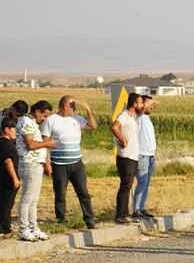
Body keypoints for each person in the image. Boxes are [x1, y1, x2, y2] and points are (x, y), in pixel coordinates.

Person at [43, 95, 99, 229]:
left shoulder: (76, 119)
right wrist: (46, 163)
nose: (74, 109)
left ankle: (89, 219)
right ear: (64, 106)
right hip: (59, 164)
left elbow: (93, 126)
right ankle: (61, 220)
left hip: (76, 163)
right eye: (72, 106)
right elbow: (45, 143)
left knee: (83, 192)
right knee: (60, 194)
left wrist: (88, 110)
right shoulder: (51, 121)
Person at [14, 100, 57, 241]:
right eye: (44, 115)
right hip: (29, 163)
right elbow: (30, 144)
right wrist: (48, 143)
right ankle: (23, 229)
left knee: (34, 200)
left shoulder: (32, 123)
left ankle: (33, 227)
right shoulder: (26, 122)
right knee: (27, 199)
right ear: (37, 111)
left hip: (36, 163)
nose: (44, 119)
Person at [111, 93, 146, 224]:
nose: (142, 105)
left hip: (132, 156)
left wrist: (147, 105)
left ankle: (125, 213)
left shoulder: (133, 116)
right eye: (140, 103)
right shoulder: (124, 116)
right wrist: (123, 141)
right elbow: (114, 127)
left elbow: (141, 112)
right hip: (125, 157)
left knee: (128, 185)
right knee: (125, 186)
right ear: (134, 104)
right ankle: (120, 215)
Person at [133, 95, 158, 217]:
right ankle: (136, 209)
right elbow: (142, 110)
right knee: (142, 182)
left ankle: (142, 208)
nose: (151, 107)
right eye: (148, 104)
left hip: (150, 155)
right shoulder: (139, 117)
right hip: (142, 155)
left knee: (146, 183)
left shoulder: (147, 118)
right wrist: (149, 102)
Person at [0, 115, 19, 237]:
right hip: (7, 179)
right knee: (6, 204)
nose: (15, 132)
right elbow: (8, 161)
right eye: (14, 129)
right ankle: (5, 229)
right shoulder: (6, 144)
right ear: (7, 129)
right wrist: (15, 178)